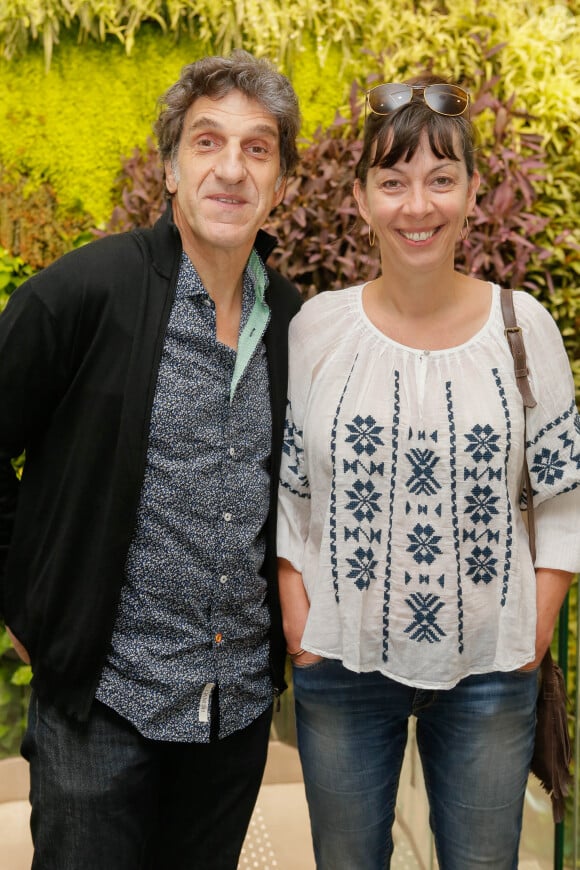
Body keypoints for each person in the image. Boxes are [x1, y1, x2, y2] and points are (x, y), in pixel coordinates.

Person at [0, 50, 302, 869]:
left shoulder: (297, 326)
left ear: (281, 182)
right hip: (101, 710)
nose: (230, 169)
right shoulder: (84, 294)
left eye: (257, 148)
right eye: (207, 143)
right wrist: (29, 610)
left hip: (231, 716)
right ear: (170, 167)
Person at [277, 74, 580, 869]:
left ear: (472, 191)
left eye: (441, 179)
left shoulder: (525, 327)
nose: (418, 206)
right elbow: (289, 489)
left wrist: (535, 627)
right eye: (394, 181)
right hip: (338, 659)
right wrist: (298, 618)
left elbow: (564, 497)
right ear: (362, 196)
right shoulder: (316, 329)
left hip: (491, 667)